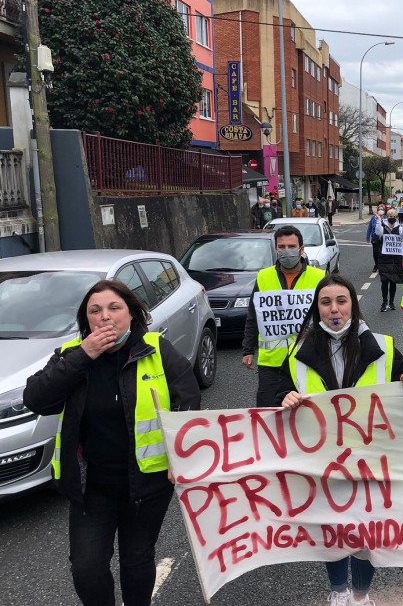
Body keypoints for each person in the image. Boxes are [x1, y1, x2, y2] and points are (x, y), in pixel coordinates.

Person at [24, 279, 201, 606]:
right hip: (92, 487)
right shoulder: (70, 356)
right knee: (87, 568)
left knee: (136, 560)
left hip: (147, 485)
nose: (105, 317)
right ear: (86, 321)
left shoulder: (156, 349)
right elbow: (37, 399)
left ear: (131, 314)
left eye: (114, 308)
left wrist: (181, 459)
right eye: (95, 311)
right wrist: (85, 355)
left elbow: (189, 404)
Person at [277, 275, 403, 606]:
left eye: (341, 301)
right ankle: (338, 591)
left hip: (371, 461)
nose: (334, 309)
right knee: (332, 533)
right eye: (325, 302)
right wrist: (283, 397)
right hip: (323, 464)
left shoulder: (383, 347)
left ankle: (360, 595)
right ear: (317, 309)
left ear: (353, 306)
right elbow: (275, 395)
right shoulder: (297, 352)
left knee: (365, 535)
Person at [242, 225, 326, 407]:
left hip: (308, 359)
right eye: (282, 247)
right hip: (271, 363)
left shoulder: (319, 277)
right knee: (268, 413)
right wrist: (248, 349)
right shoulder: (263, 277)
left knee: (308, 412)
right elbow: (253, 314)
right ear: (276, 249)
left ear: (301, 250)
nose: (286, 251)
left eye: (291, 246)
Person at [374, 208, 403, 312]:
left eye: (393, 217)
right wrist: (379, 220)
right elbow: (378, 233)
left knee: (393, 281)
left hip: (395, 259)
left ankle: (391, 302)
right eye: (390, 216)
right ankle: (384, 302)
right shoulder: (383, 226)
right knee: (384, 281)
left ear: (396, 218)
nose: (391, 218)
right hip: (384, 258)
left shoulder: (399, 228)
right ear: (387, 217)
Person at [366, 205, 385, 273]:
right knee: (375, 253)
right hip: (375, 237)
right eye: (379, 209)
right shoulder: (373, 218)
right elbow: (370, 227)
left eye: (382, 209)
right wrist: (368, 237)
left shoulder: (386, 218)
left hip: (383, 238)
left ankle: (381, 266)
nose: (380, 210)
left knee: (382, 253)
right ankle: (376, 265)